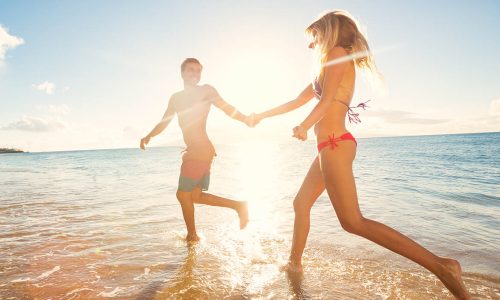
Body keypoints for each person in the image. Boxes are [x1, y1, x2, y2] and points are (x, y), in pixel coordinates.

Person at [251, 11, 471, 299]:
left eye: (313, 36)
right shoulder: (328, 65)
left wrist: (305, 126)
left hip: (334, 144)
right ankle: (294, 264)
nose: (310, 45)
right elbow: (297, 100)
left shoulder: (336, 54)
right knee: (301, 202)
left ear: (327, 32)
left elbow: (328, 100)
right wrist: (260, 115)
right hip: (328, 146)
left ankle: (442, 266)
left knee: (352, 222)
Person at [140, 58, 250, 243]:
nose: (195, 74)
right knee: (195, 196)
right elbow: (164, 121)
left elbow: (226, 107)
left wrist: (245, 118)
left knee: (182, 195)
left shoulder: (206, 90)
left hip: (201, 150)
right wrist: (149, 135)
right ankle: (238, 206)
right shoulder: (176, 98)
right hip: (196, 150)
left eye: (198, 71)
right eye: (191, 70)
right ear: (182, 73)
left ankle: (192, 236)